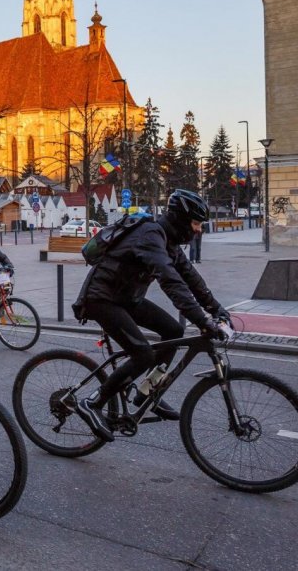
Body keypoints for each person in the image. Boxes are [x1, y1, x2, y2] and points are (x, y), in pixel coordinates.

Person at [72, 189, 231, 442]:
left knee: (174, 332)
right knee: (143, 354)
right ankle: (92, 403)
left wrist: (216, 308)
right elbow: (170, 281)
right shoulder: (150, 236)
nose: (199, 230)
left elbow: (190, 278)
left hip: (126, 298)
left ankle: (146, 392)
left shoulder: (168, 241)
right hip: (101, 299)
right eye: (196, 223)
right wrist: (202, 320)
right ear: (181, 219)